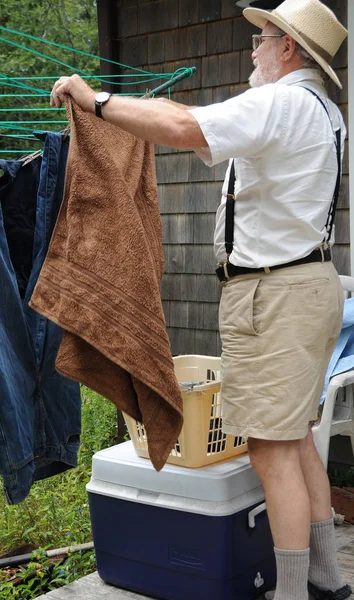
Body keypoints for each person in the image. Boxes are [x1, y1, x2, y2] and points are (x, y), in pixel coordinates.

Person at [50, 0, 350, 598]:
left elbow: (186, 128)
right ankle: (326, 578)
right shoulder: (324, 110)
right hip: (306, 287)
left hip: (274, 293)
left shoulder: (281, 102)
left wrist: (96, 101)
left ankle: (294, 593)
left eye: (261, 39)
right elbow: (191, 116)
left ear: (288, 48)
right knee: (292, 439)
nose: (252, 50)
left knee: (269, 451)